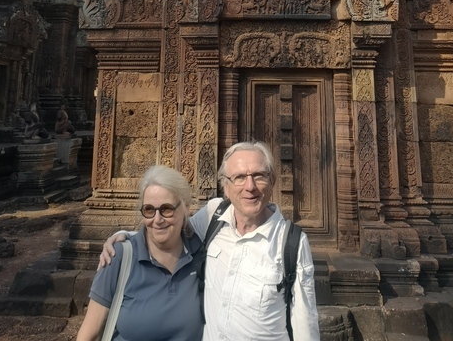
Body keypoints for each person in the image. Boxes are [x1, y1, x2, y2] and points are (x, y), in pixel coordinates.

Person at [100, 141, 320, 340]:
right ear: (226, 186)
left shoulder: (291, 243)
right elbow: (170, 227)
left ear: (271, 182)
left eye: (259, 176)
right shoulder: (213, 216)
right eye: (239, 178)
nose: (250, 187)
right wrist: (125, 238)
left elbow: (304, 324)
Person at [77, 165, 204, 341]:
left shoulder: (201, 256)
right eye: (149, 210)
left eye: (167, 209)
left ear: (186, 208)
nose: (157, 220)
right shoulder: (119, 257)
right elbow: (90, 334)